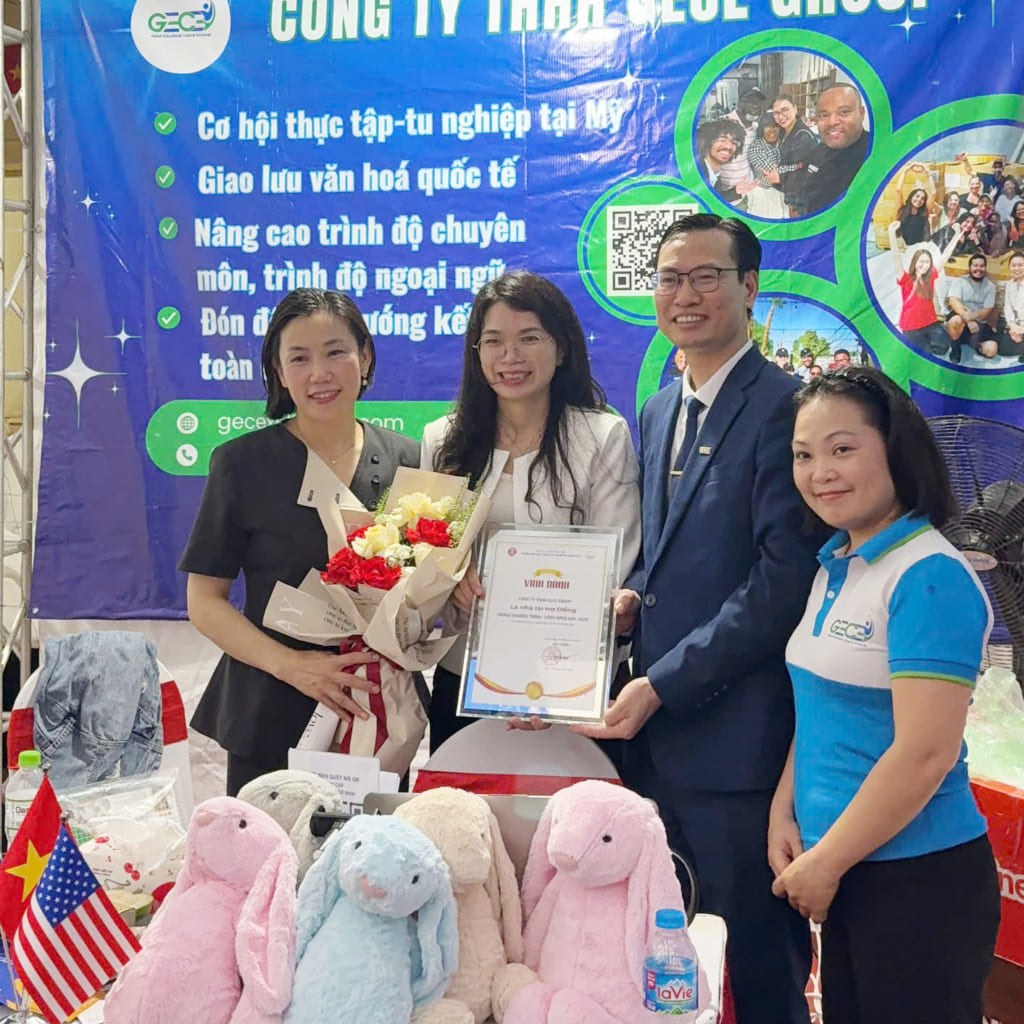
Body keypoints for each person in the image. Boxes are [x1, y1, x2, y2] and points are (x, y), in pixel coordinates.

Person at [575, 213, 822, 1024]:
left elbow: (781, 581)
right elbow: (667, 551)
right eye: (670, 279)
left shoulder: (788, 408)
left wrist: (662, 683)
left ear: (749, 288)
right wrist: (629, 597)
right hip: (655, 746)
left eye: (707, 276)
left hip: (738, 747)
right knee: (667, 958)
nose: (686, 294)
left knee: (755, 962)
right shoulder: (657, 410)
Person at [772, 365, 1000, 1023]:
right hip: (848, 871)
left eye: (842, 449)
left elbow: (925, 754)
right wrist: (784, 812)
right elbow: (819, 709)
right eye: (804, 455)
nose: (821, 473)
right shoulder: (837, 563)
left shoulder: (928, 576)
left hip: (919, 880)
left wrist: (825, 863)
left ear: (895, 450)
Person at [180, 288, 421, 795]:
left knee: (373, 847)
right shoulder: (241, 464)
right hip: (271, 707)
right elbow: (204, 602)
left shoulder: (410, 461)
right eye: (300, 358)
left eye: (336, 352)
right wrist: (291, 665)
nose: (320, 373)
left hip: (376, 712)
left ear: (365, 357)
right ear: (279, 370)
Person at [422, 270, 641, 751]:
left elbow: (617, 561)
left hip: (575, 681)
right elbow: (429, 552)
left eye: (529, 338)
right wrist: (449, 577)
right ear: (476, 352)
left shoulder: (602, 436)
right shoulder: (441, 441)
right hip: (466, 677)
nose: (510, 356)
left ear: (561, 349)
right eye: (493, 341)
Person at [888, 220, 963, 361]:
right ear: (915, 263)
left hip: (930, 323)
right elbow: (896, 257)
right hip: (911, 327)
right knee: (922, 356)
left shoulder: (931, 276)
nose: (924, 265)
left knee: (943, 348)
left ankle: (929, 343)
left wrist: (956, 235)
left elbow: (945, 255)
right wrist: (892, 233)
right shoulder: (905, 279)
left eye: (927, 262)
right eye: (921, 261)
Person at [803, 85, 871, 214]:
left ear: (861, 113)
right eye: (824, 115)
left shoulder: (878, 156)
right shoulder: (817, 152)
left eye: (844, 112)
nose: (832, 122)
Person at [716, 88, 767, 209]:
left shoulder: (755, 129)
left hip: (744, 194)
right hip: (722, 197)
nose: (756, 108)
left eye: (759, 105)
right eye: (752, 103)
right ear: (741, 103)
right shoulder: (723, 123)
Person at [772, 94, 818, 218]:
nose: (780, 116)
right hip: (790, 192)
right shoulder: (784, 132)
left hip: (802, 198)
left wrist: (779, 178)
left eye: (785, 110)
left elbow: (803, 172)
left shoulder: (803, 136)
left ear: (795, 109)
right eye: (776, 113)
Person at [946, 253, 998, 361]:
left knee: (991, 350)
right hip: (961, 320)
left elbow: (986, 311)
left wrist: (973, 317)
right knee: (955, 321)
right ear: (970, 267)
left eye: (981, 266)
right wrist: (968, 320)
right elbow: (953, 301)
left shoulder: (990, 286)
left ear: (985, 268)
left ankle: (974, 343)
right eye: (975, 265)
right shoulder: (959, 281)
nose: (978, 269)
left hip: (979, 325)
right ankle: (955, 346)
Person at [745, 113, 789, 219]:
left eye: (776, 126)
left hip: (782, 193)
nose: (772, 130)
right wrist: (798, 167)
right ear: (761, 129)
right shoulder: (756, 148)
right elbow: (773, 173)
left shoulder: (781, 144)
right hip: (763, 194)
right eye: (767, 126)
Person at [696, 119, 745, 201]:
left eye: (734, 143)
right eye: (722, 140)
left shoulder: (716, 177)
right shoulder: (696, 174)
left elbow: (712, 199)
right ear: (707, 142)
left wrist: (735, 192)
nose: (728, 146)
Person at [1001, 251, 1024, 362]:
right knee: (1004, 348)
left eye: (1020, 265)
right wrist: (1012, 327)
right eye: (1013, 265)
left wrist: (1022, 330)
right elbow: (1008, 308)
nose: (1017, 269)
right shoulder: (1010, 284)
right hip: (1016, 326)